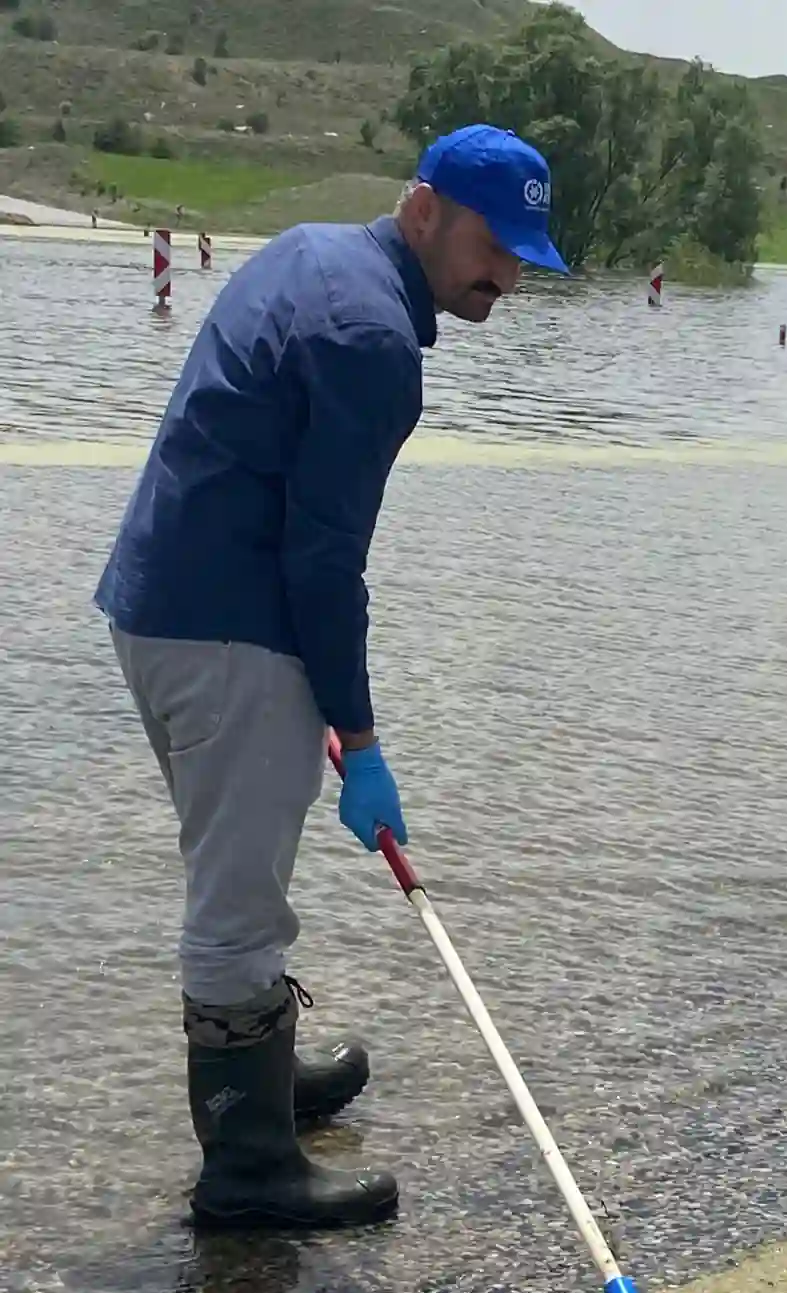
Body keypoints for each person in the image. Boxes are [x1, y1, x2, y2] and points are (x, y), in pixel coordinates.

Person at [93, 125, 569, 1232]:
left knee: (238, 874)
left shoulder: (312, 251)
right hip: (227, 633)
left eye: (522, 255)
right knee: (239, 908)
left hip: (165, 604)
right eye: (491, 245)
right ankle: (247, 1167)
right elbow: (325, 561)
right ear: (423, 211)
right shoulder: (371, 341)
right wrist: (360, 738)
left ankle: (263, 1081)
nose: (504, 275)